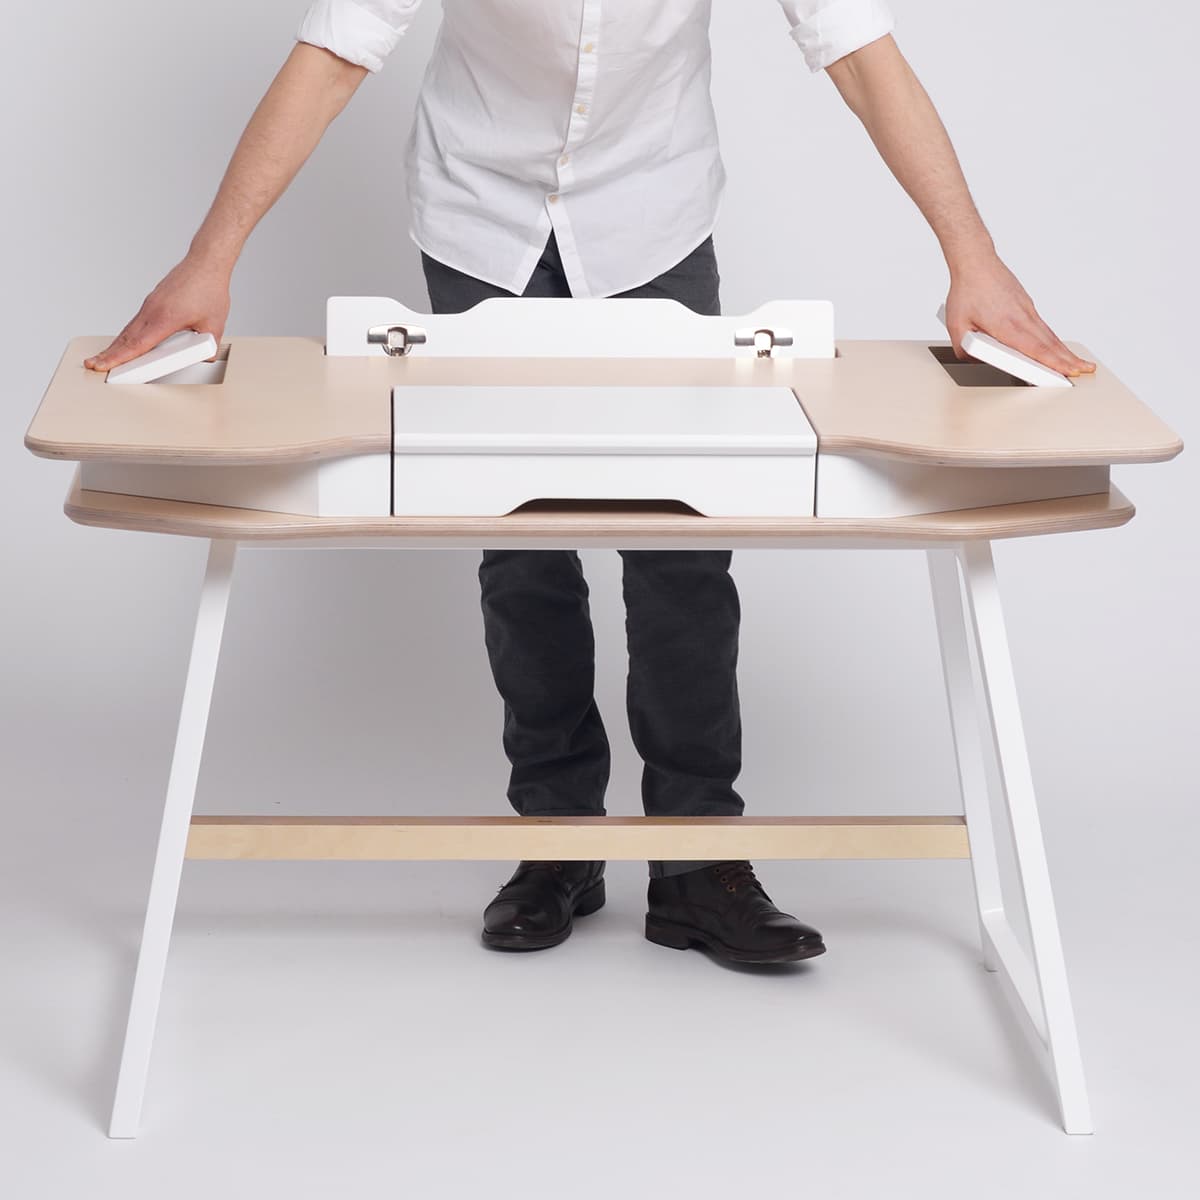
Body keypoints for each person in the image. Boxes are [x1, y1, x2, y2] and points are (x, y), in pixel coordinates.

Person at [85, 1, 1095, 965]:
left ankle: (699, 864)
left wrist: (974, 258)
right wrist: (209, 260)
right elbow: (336, 50)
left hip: (654, 215)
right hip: (481, 216)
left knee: (684, 548)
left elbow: (858, 49)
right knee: (521, 544)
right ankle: (556, 842)